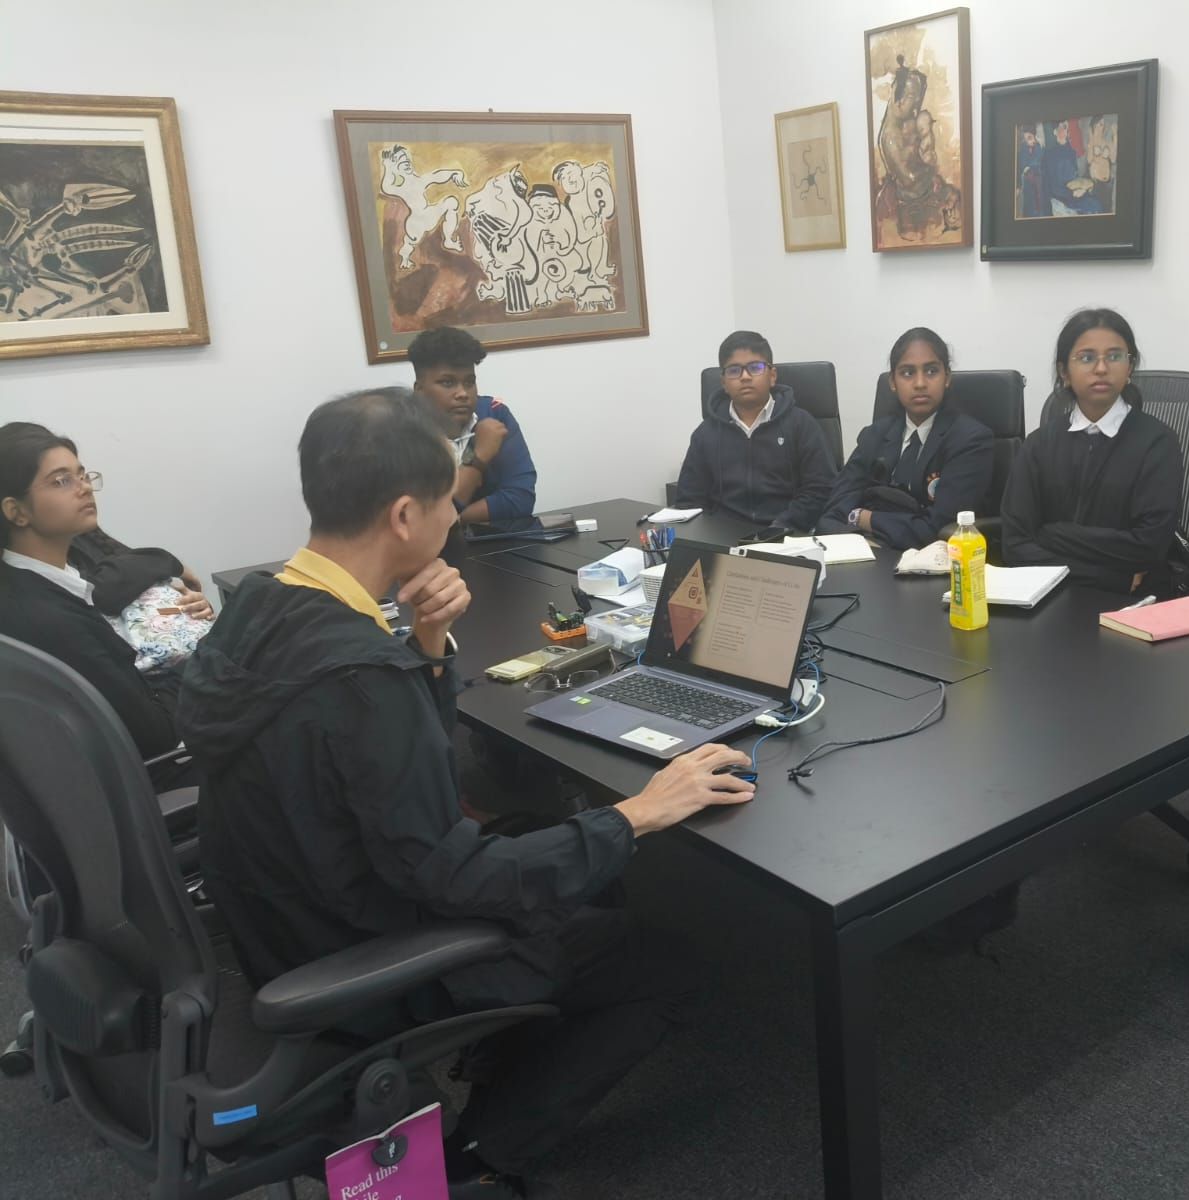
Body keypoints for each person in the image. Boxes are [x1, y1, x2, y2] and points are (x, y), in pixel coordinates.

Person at [176, 388, 755, 1195]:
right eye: (449, 502)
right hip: (363, 952)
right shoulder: (360, 677)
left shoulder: (261, 604)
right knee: (668, 959)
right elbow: (453, 874)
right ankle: (479, 1155)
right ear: (404, 516)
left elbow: (378, 766)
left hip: (280, 918)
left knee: (542, 838)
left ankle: (500, 1044)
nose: (456, 517)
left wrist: (427, 645)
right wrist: (637, 813)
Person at [0, 422, 208, 780]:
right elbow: (156, 735)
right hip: (157, 778)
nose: (83, 488)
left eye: (82, 475)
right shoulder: (50, 618)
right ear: (16, 511)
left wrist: (179, 621)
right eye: (61, 481)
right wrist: (201, 654)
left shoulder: (39, 581)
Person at [1001, 308, 1181, 592]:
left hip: (1133, 603)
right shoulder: (1038, 445)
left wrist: (1052, 534)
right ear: (1064, 372)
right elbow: (1015, 546)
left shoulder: (1157, 443)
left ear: (1129, 367)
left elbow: (1149, 547)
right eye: (1086, 358)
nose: (1101, 368)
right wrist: (1108, 576)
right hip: (1056, 596)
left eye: (1114, 356)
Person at [817, 327, 993, 550]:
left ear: (947, 378)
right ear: (893, 382)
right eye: (908, 373)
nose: (920, 383)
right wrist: (863, 541)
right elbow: (832, 513)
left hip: (934, 562)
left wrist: (864, 517)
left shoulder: (970, 440)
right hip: (866, 553)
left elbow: (937, 530)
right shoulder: (874, 435)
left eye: (931, 371)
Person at [674, 330, 834, 533]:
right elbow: (689, 500)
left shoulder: (801, 424)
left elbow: (820, 490)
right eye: (734, 370)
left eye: (755, 368)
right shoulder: (706, 433)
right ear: (723, 383)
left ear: (772, 376)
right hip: (723, 537)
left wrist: (783, 526)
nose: (745, 377)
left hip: (788, 534)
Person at [410, 326, 537, 526]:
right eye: (447, 383)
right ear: (419, 390)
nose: (463, 393)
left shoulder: (495, 415)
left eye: (469, 382)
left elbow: (520, 498)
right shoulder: (401, 431)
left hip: (496, 541)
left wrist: (454, 520)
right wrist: (478, 457)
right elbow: (420, 519)